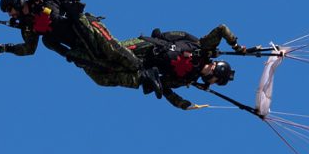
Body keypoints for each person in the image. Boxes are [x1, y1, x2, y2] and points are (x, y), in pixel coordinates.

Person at [0, 0, 162, 93]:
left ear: (17, 1)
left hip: (86, 28)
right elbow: (29, 49)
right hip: (79, 48)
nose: (10, 14)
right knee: (99, 77)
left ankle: (144, 69)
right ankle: (142, 79)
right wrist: (6, 48)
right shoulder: (30, 28)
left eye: (10, 9)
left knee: (112, 50)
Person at [89, 26, 248, 110]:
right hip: (148, 47)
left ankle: (77, 54)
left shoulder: (188, 79)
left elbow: (165, 89)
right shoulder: (204, 48)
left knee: (102, 78)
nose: (212, 83)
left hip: (143, 68)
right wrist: (236, 45)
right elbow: (221, 29)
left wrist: (183, 104)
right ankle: (89, 24)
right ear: (218, 71)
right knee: (110, 50)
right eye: (216, 81)